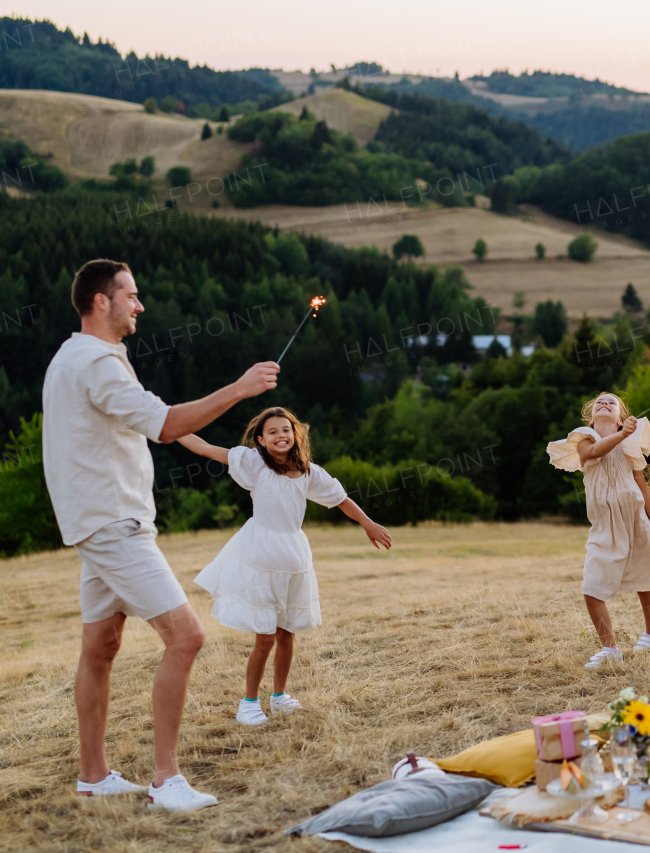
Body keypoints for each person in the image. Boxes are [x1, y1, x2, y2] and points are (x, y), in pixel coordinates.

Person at [42, 259, 280, 812]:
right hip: (113, 523)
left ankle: (94, 775)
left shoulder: (72, 357)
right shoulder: (97, 362)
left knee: (100, 647)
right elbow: (167, 425)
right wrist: (241, 390)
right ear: (102, 301)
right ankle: (166, 779)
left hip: (96, 522)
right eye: (131, 294)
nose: (139, 304)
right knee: (187, 636)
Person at [177, 407, 392, 724]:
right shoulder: (254, 465)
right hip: (260, 555)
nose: (281, 435)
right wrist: (168, 426)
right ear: (261, 440)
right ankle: (249, 703)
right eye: (273, 431)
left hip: (294, 556)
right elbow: (204, 448)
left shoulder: (308, 472)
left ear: (296, 434)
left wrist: (368, 523)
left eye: (286, 429)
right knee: (264, 637)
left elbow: (341, 499)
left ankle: (279, 696)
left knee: (287, 634)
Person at [546, 392, 650, 670]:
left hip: (637, 522)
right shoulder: (585, 438)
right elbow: (594, 453)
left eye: (612, 402)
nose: (604, 403)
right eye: (599, 402)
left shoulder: (629, 447)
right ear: (592, 419)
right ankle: (610, 648)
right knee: (591, 590)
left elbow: (645, 492)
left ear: (620, 420)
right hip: (605, 528)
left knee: (645, 581)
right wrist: (622, 436)